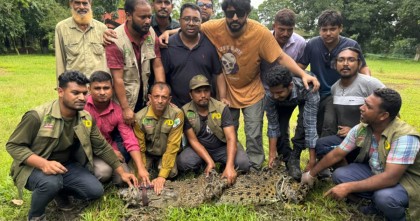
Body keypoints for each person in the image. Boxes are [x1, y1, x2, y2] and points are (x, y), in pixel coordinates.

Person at [159, 0, 319, 171]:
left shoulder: (259, 32)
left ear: (247, 14)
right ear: (225, 14)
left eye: (240, 14)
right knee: (226, 132)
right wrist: (169, 32)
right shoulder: (215, 26)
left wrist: (302, 74)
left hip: (252, 90)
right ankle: (231, 163)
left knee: (254, 133)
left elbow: (280, 57)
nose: (234, 18)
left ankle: (255, 168)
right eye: (229, 14)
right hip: (227, 92)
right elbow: (192, 27)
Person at [6, 71, 138, 221]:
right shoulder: (38, 116)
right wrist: (43, 164)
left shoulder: (85, 117)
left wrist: (122, 172)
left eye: (84, 93)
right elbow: (13, 146)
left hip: (65, 165)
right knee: (51, 182)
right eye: (75, 93)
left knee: (95, 191)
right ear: (61, 92)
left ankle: (59, 193)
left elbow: (101, 146)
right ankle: (36, 215)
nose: (82, 98)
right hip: (32, 167)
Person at [302, 88, 420, 221]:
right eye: (364, 103)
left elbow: (390, 178)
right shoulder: (363, 127)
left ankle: (395, 215)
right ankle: (376, 203)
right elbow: (337, 154)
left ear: (383, 116)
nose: (361, 108)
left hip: (407, 182)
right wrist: (311, 173)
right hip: (378, 172)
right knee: (340, 175)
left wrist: (348, 187)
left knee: (385, 197)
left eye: (368, 106)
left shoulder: (404, 137)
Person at [298, 10, 370, 137]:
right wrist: (304, 75)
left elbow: (363, 67)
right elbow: (300, 66)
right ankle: (307, 151)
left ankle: (325, 153)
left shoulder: (351, 45)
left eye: (332, 29)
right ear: (319, 30)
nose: (328, 33)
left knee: (329, 123)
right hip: (316, 91)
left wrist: (367, 84)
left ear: (340, 28)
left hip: (339, 92)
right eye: (324, 29)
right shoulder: (312, 44)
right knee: (309, 124)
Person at [314, 47, 385, 165]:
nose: (345, 64)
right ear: (335, 64)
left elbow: (391, 111)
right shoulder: (334, 88)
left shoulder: (370, 84)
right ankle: (345, 169)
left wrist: (357, 130)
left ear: (359, 63)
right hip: (348, 139)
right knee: (321, 144)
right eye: (341, 60)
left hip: (371, 137)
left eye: (351, 60)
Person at [177, 75, 250, 184]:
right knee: (183, 163)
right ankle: (206, 164)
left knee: (243, 163)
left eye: (206, 91)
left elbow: (231, 138)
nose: (203, 95)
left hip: (222, 147)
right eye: (198, 91)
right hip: (200, 149)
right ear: (190, 95)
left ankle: (225, 166)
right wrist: (210, 161)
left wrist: (230, 166)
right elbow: (193, 141)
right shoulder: (185, 111)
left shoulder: (221, 108)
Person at [84, 71, 150, 186]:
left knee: (122, 180)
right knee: (103, 173)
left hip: (109, 148)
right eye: (97, 88)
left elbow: (130, 139)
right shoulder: (82, 107)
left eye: (106, 88)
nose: (102, 92)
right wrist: (111, 152)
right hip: (88, 151)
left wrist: (141, 168)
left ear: (113, 89)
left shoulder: (117, 110)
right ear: (89, 89)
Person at [260, 8, 307, 172]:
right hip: (268, 93)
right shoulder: (263, 39)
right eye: (282, 29)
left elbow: (301, 66)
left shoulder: (301, 43)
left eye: (290, 30)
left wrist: (285, 79)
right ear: (274, 26)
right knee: (277, 126)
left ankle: (293, 160)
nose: (285, 33)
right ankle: (282, 157)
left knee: (299, 123)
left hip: (291, 92)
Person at [105, 0, 165, 126]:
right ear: (128, 16)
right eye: (142, 17)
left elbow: (157, 65)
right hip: (123, 101)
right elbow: (118, 79)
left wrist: (159, 94)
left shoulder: (150, 33)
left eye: (149, 17)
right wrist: (126, 109)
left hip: (143, 97)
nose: (148, 21)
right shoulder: (115, 40)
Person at [161, 3, 221, 107]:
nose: (191, 23)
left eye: (196, 20)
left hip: (205, 108)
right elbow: (162, 78)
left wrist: (221, 98)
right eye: (187, 19)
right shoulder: (168, 46)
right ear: (180, 21)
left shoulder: (210, 45)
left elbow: (218, 73)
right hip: (175, 108)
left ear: (201, 22)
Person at [264, 65, 319, 181]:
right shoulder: (271, 95)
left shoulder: (308, 87)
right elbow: (273, 125)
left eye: (279, 92)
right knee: (281, 131)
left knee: (304, 124)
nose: (275, 96)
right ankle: (287, 159)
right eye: (272, 92)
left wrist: (312, 159)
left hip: (303, 97)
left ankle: (295, 156)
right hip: (283, 104)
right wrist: (272, 155)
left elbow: (311, 125)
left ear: (290, 85)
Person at [134, 82, 184, 194]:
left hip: (165, 152)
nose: (160, 101)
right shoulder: (139, 117)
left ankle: (159, 170)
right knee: (136, 176)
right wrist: (141, 171)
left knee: (171, 173)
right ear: (149, 97)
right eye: (156, 96)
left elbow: (173, 145)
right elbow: (139, 147)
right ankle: (150, 169)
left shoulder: (177, 114)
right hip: (148, 153)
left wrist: (162, 176)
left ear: (169, 99)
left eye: (164, 97)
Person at [55, 0, 107, 79]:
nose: (82, 7)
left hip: (97, 86)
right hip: (74, 85)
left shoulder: (102, 28)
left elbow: (109, 60)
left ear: (90, 4)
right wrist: (61, 86)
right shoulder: (61, 28)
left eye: (85, 3)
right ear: (71, 4)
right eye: (77, 3)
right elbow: (60, 61)